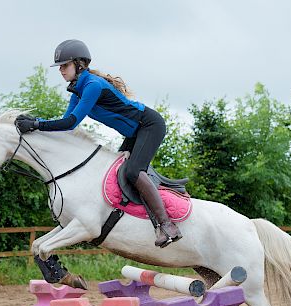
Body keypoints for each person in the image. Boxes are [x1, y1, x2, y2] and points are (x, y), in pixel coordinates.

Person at [15, 39, 181, 248]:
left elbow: (71, 121)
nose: (61, 70)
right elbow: (67, 125)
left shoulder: (92, 85)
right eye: (60, 67)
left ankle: (167, 226)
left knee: (132, 172)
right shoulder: (78, 90)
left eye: (65, 65)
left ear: (79, 64)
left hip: (149, 125)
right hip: (134, 133)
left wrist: (36, 124)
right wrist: (37, 125)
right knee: (116, 171)